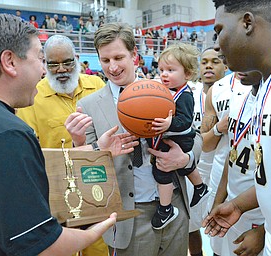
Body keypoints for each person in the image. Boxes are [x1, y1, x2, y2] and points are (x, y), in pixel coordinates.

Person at [0, 14, 139, 256]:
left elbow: (28, 169)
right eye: (40, 60)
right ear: (9, 62)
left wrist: (95, 150)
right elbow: (39, 244)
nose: (44, 71)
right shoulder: (6, 134)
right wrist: (94, 232)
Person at [66, 22, 203, 256]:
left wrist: (185, 157)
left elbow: (196, 135)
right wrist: (81, 142)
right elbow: (82, 164)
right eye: (106, 60)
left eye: (119, 57)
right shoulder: (88, 105)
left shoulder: (166, 90)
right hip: (129, 215)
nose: (113, 66)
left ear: (135, 57)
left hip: (174, 206)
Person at [16, 35, 107, 255]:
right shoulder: (32, 96)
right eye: (53, 64)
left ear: (77, 59)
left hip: (98, 184)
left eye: (67, 62)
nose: (61, 69)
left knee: (99, 246)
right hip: (55, 191)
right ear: (43, 63)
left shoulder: (97, 85)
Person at [202, 1, 271, 255]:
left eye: (219, 29)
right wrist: (237, 205)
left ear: (247, 23)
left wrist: (264, 229)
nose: (216, 43)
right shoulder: (264, 88)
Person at [147, 43, 210, 230]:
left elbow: (184, 120)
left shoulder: (185, 96)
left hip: (181, 137)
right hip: (177, 138)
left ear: (188, 74)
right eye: (161, 70)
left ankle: (166, 209)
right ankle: (200, 188)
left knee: (160, 170)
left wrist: (169, 124)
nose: (164, 74)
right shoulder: (167, 92)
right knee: (183, 168)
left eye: (171, 70)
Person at [213, 70, 265, 256]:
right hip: (232, 208)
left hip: (264, 217)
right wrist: (217, 201)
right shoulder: (238, 96)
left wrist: (264, 231)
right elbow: (232, 154)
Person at [188, 47, 228, 256]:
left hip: (221, 170)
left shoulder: (232, 93)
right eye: (204, 62)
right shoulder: (189, 94)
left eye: (215, 61)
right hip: (193, 169)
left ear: (226, 65)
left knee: (218, 227)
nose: (209, 66)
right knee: (191, 227)